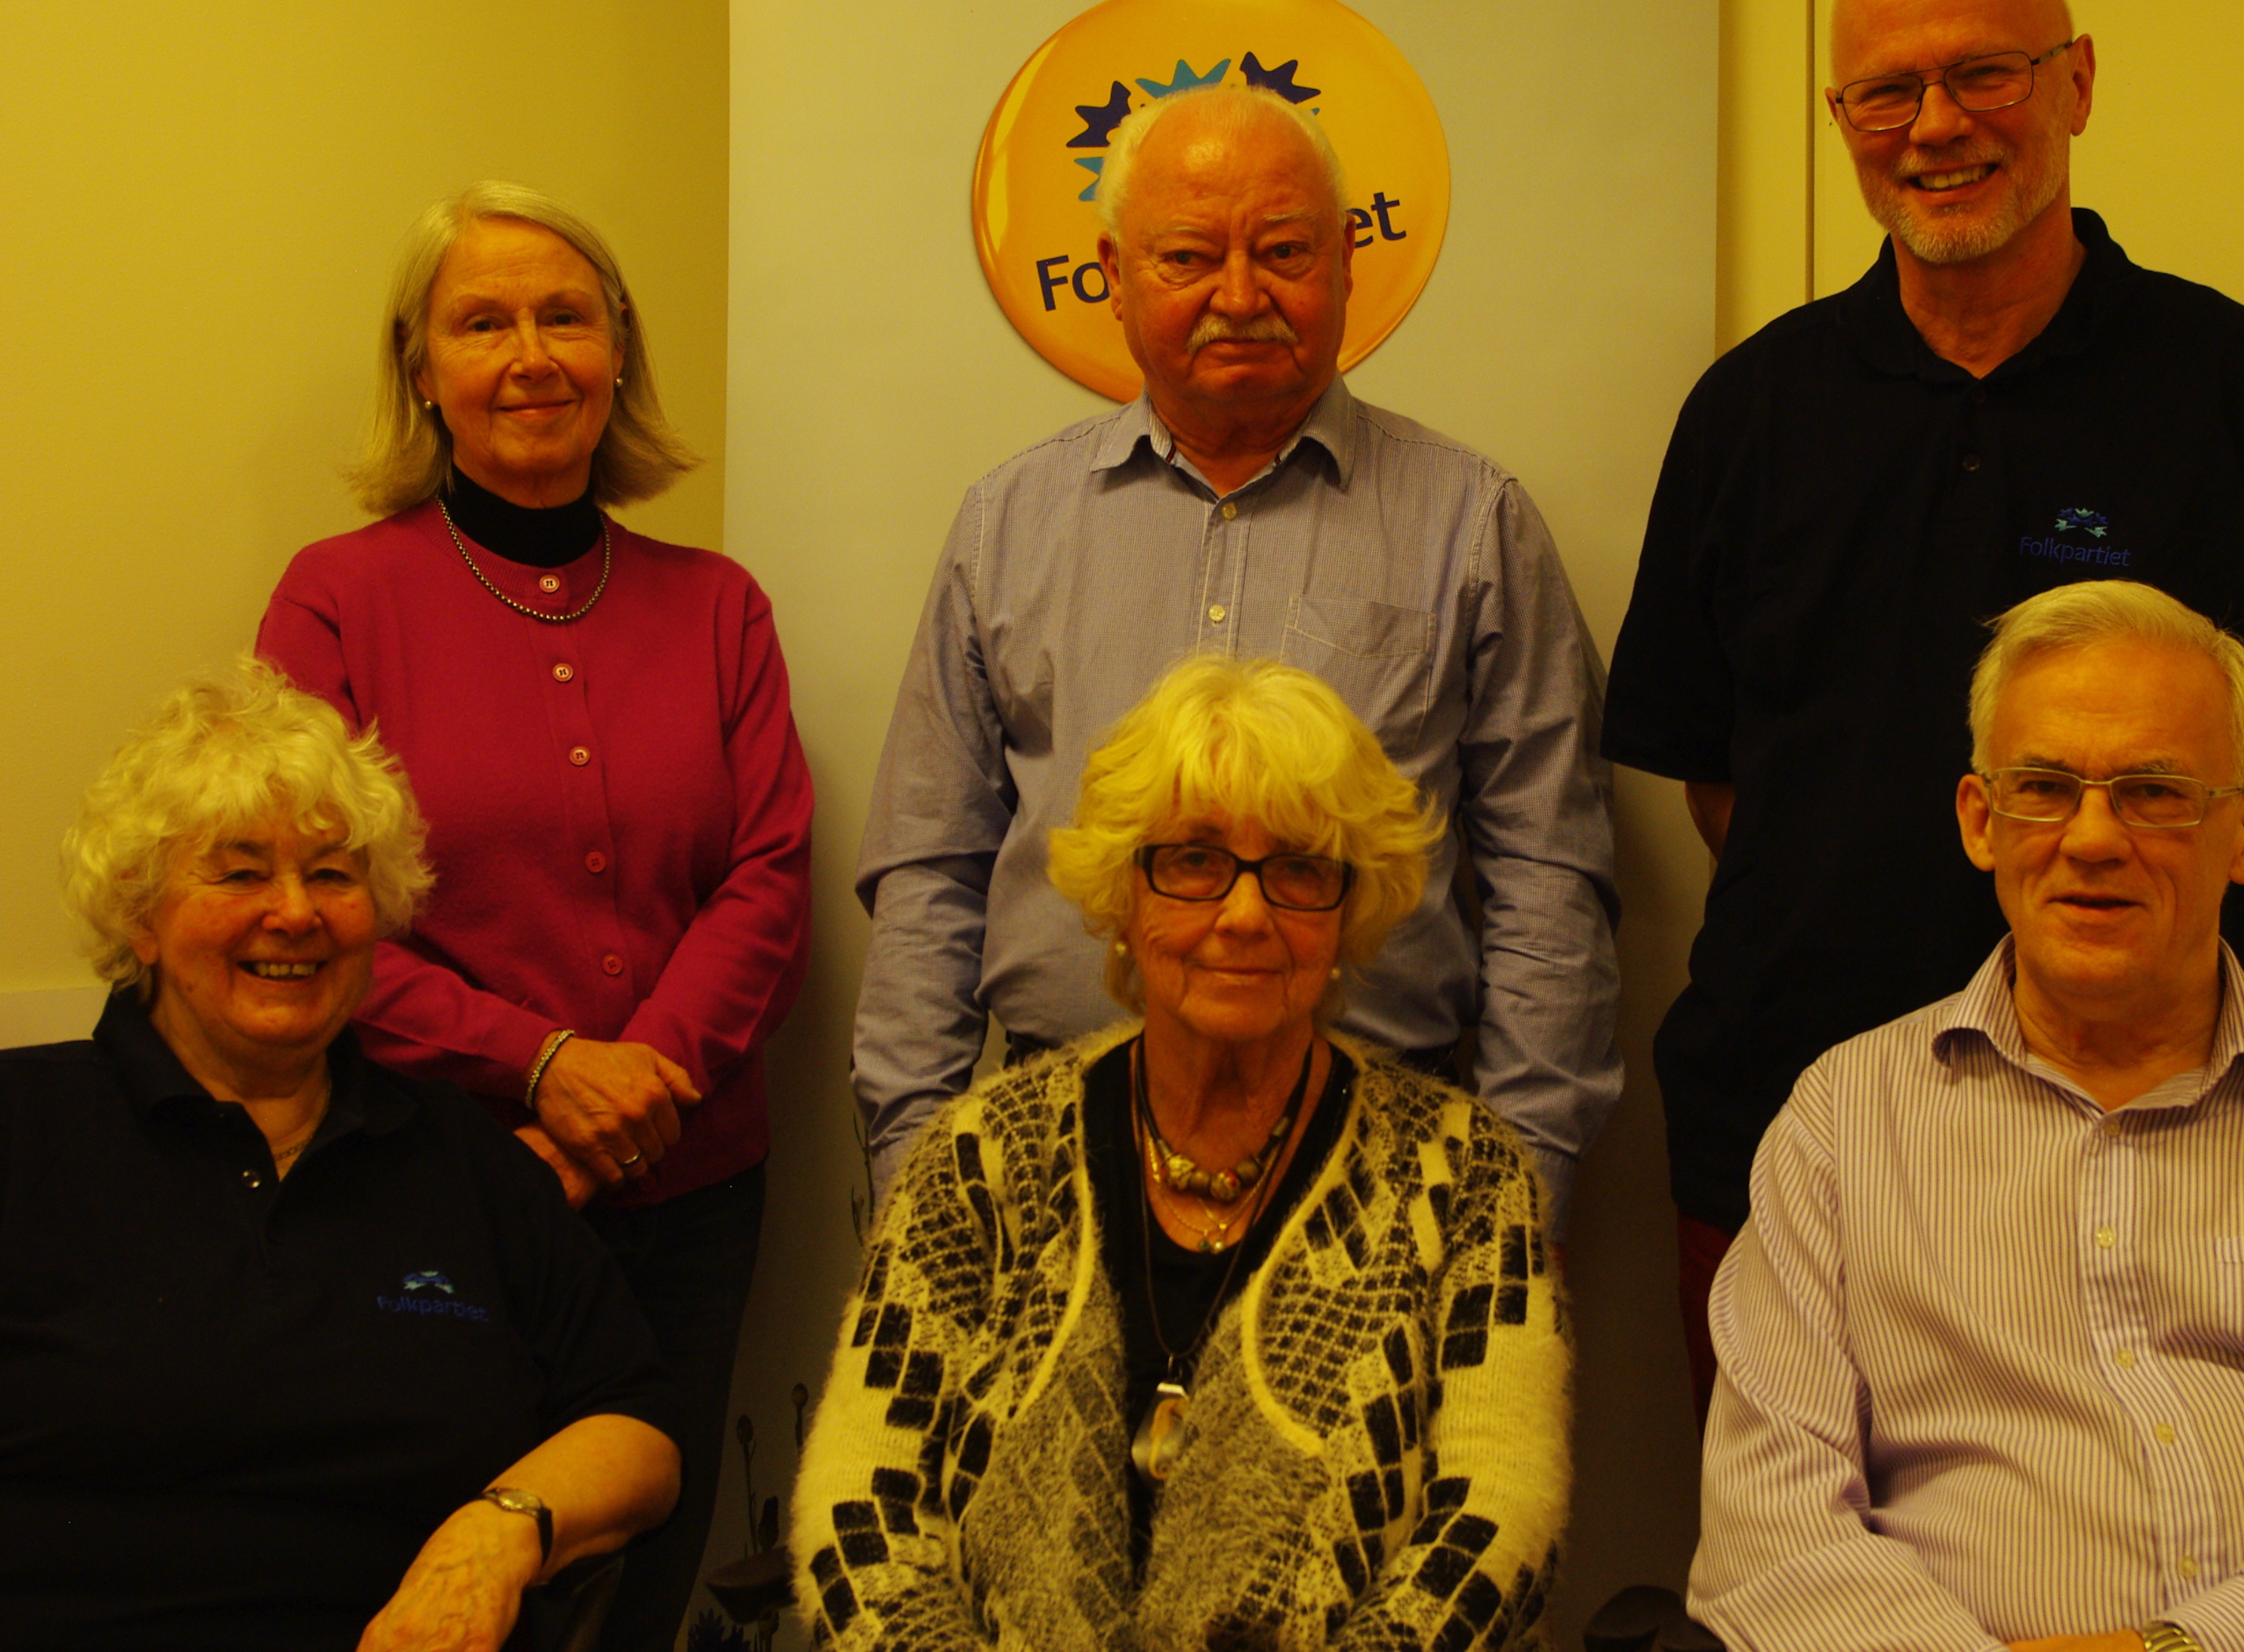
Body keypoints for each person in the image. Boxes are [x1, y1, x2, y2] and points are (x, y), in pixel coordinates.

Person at [1602, 0, 2244, 1410]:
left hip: (2158, 1130)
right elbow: (1718, 780)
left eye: (1984, 74)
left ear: (2076, 82)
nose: (1936, 125)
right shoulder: (1748, 414)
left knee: (2131, 1546)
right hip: (1778, 1112)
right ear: (1840, 121)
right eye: (1885, 92)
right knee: (1792, 1584)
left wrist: (2103, 967)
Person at [1688, 582, 2244, 1651]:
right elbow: (1768, 1539)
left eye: (2153, 790)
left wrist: (2186, 1648)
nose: (2092, 836)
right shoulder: (1842, 1121)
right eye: (2043, 786)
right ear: (1979, 820)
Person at [853, 82, 1619, 1235]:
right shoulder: (1006, 526)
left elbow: (1550, 889)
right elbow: (930, 875)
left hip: (1382, 1173)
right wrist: (925, 1195)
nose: (1241, 296)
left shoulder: (1474, 524)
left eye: (1283, 251)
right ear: (1113, 275)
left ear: (1349, 264)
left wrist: (1506, 1214)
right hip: (1048, 1165)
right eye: (1190, 257)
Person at [256, 181, 816, 1648]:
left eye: (563, 316)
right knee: (446, 1568)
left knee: (651, 1553)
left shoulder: (717, 607)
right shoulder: (333, 600)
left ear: (617, 353)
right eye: (482, 322)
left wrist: (639, 1083)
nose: (528, 355)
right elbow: (309, 911)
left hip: (691, 1177)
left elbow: (767, 871)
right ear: (422, 370)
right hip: (438, 1174)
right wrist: (551, 1075)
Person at [794, 655, 1569, 1649]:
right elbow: (856, 1518)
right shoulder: (979, 1163)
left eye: (1297, 866)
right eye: (1195, 859)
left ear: (1347, 906)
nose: (1245, 913)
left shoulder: (1463, 1180)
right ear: (1124, 890)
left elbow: (1494, 1526)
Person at [2, 660, 679, 1649]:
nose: (295, 912)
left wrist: (497, 1534)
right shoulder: (23, 1128)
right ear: (140, 917)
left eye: (331, 871)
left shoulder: (464, 1159)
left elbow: (638, 1419)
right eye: (239, 871)